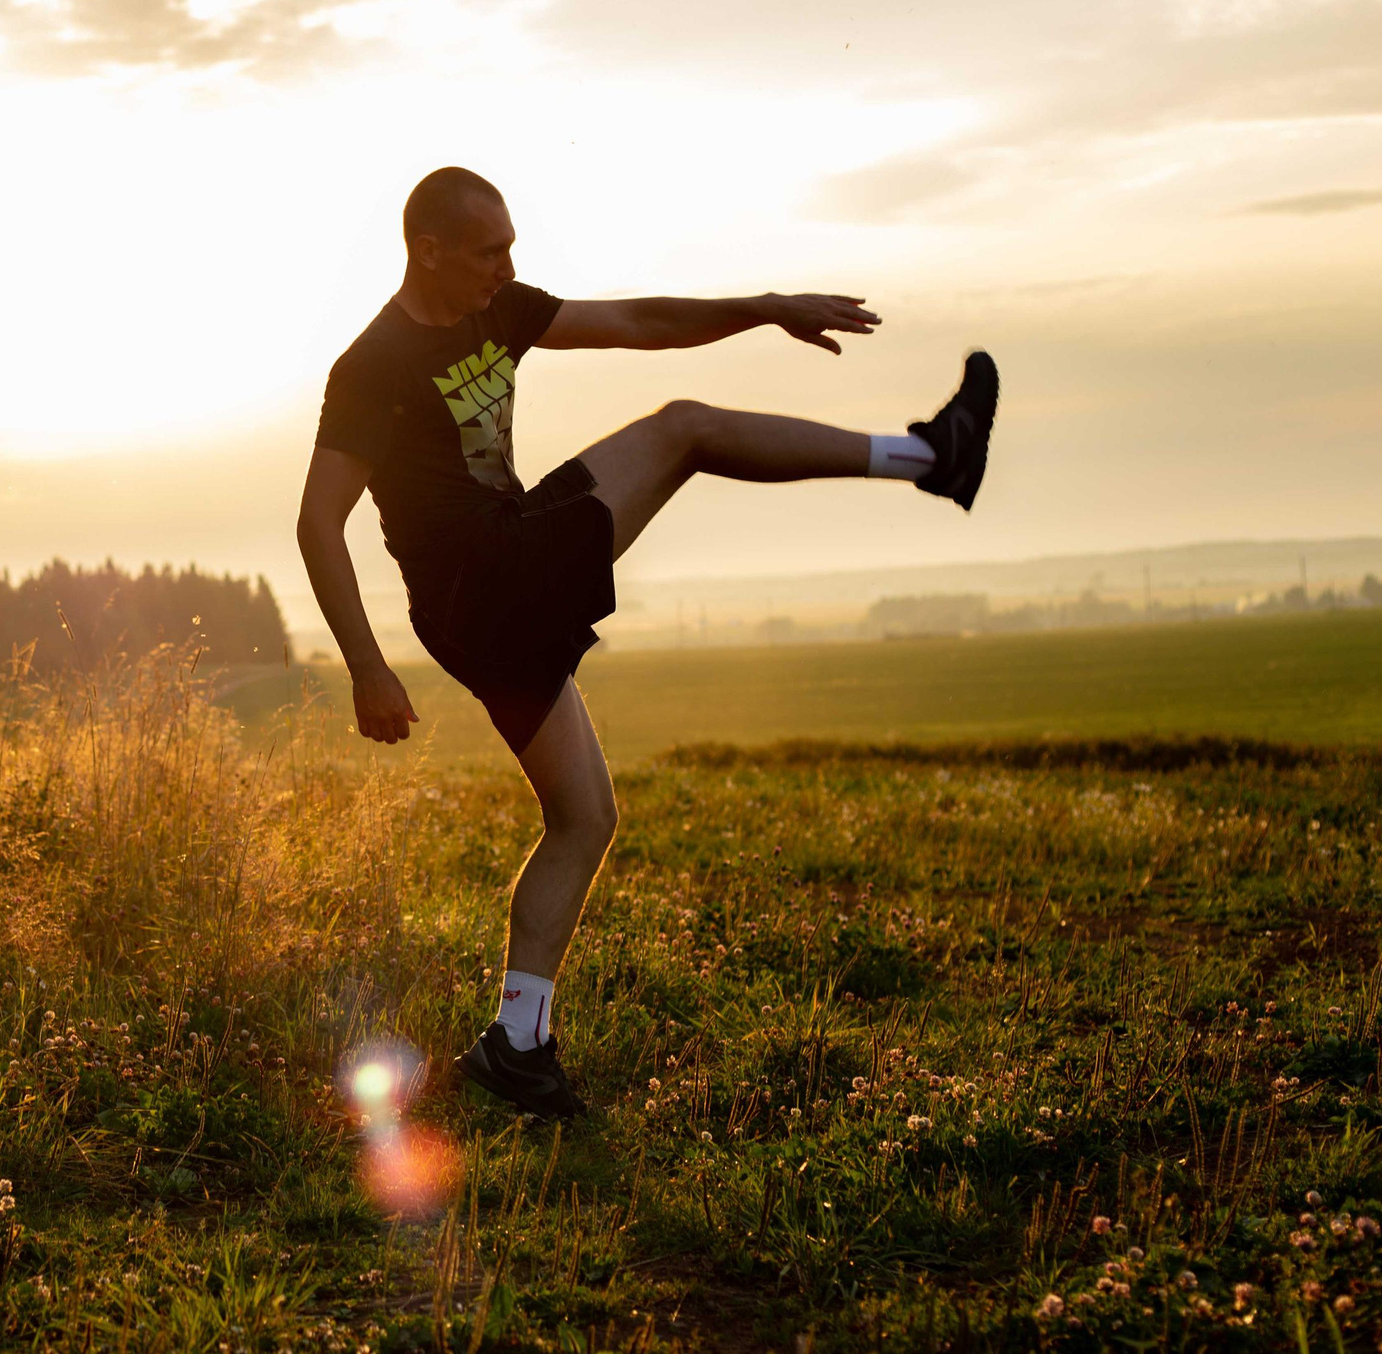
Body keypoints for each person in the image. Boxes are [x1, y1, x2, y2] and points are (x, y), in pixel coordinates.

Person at [296, 166, 996, 1119]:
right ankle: (931, 457)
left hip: (489, 603)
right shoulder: (371, 366)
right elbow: (317, 524)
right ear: (427, 248)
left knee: (584, 817)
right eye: (487, 250)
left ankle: (517, 1045)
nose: (507, 264)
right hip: (486, 576)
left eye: (510, 244)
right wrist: (366, 667)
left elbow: (639, 322)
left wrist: (764, 307)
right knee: (685, 432)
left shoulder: (497, 313)